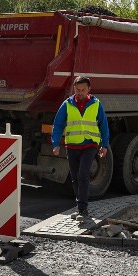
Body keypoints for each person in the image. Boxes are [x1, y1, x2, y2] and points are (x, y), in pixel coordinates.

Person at [51, 76, 109, 217]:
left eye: (83, 90)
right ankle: (80, 206)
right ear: (74, 89)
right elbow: (58, 124)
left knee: (83, 174)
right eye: (77, 90)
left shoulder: (96, 104)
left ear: (89, 89)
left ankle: (83, 208)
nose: (80, 92)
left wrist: (104, 145)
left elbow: (103, 125)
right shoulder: (67, 104)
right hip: (72, 145)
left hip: (90, 145)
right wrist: (56, 143)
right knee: (75, 177)